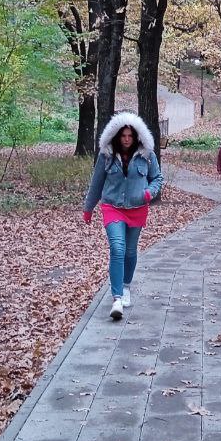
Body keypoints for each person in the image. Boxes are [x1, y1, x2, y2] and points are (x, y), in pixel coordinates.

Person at [83, 112, 163, 320]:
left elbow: (157, 178)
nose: (126, 139)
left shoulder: (147, 155)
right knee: (117, 249)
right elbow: (97, 182)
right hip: (113, 206)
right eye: (123, 136)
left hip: (137, 207)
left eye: (130, 136)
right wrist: (88, 208)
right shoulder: (106, 155)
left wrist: (149, 192)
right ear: (117, 136)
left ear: (136, 136)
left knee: (130, 251)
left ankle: (126, 285)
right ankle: (116, 298)